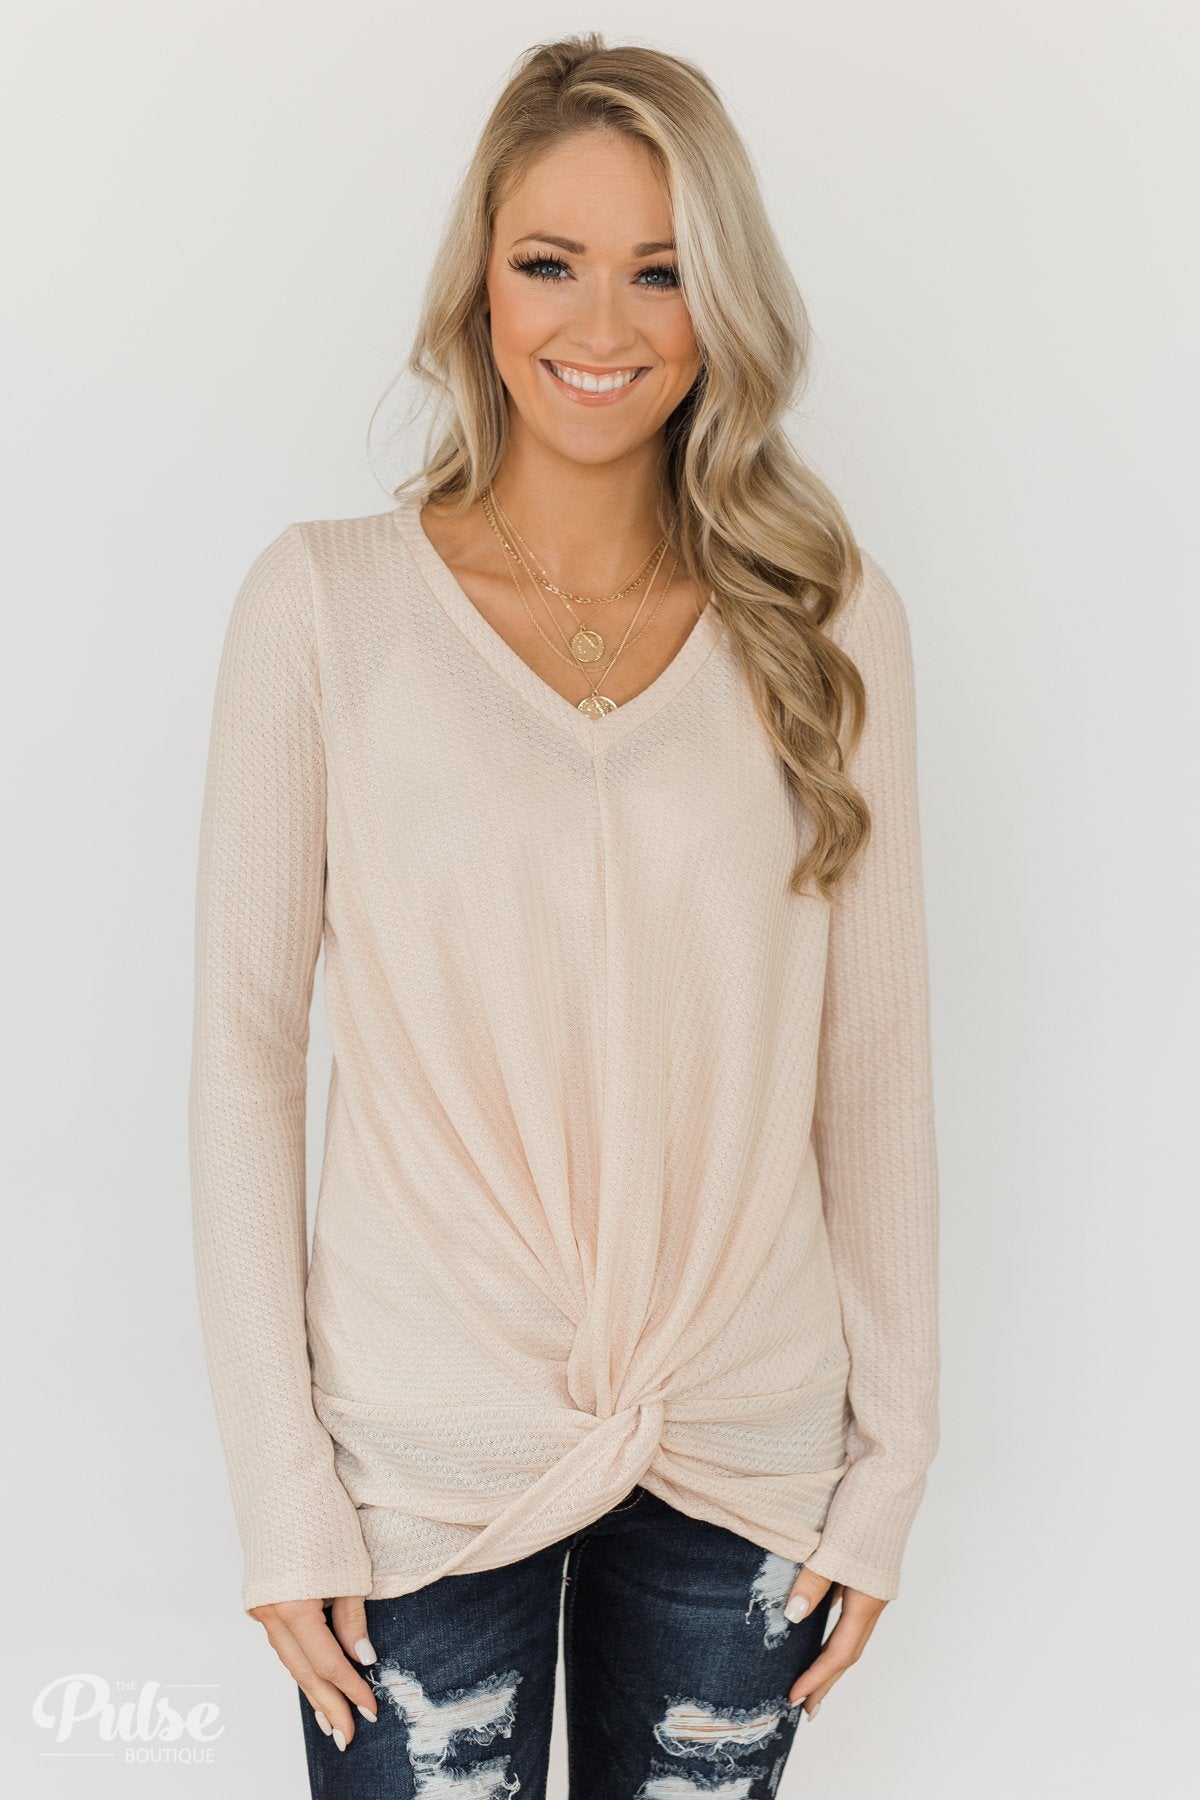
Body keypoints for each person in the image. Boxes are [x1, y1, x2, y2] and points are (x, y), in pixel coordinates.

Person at [188, 32, 940, 1800]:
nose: (603, 324)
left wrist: (893, 1463)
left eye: (662, 271)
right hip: (414, 1463)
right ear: (480, 282)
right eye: (552, 261)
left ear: (723, 303)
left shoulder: (827, 621)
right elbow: (243, 1056)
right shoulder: (325, 610)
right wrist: (281, 1486)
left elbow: (876, 1063)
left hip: (745, 1451)